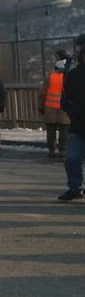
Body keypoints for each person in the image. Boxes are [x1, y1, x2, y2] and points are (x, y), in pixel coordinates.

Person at [59, 34, 85, 201]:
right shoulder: (73, 74)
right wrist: (70, 110)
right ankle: (75, 187)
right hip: (78, 124)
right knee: (72, 159)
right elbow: (65, 98)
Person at [41, 57, 71, 158]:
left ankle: (52, 150)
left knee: (50, 131)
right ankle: (63, 150)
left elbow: (42, 93)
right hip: (64, 109)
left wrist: (41, 107)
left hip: (50, 109)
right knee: (64, 131)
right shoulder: (69, 77)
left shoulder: (50, 77)